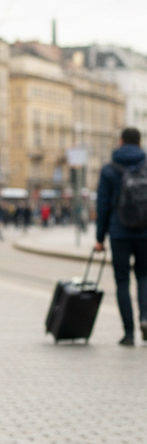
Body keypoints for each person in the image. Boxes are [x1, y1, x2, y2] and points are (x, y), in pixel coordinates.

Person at [94, 127, 147, 346]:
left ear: (120, 142)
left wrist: (100, 237)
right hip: (145, 231)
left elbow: (103, 205)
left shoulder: (109, 169)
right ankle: (145, 317)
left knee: (122, 281)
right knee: (144, 276)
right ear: (140, 142)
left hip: (119, 232)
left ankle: (128, 333)